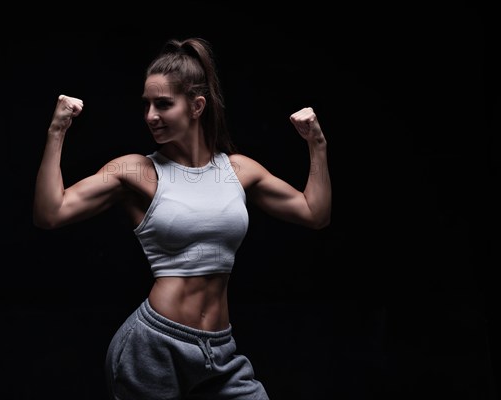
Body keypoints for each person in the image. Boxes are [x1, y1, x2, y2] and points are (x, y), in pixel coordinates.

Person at [33, 37, 331, 400]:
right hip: (154, 345)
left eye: (163, 104)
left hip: (219, 350)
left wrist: (316, 144)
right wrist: (57, 131)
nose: (150, 116)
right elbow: (51, 213)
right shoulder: (137, 171)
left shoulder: (237, 171)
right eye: (146, 105)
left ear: (196, 106)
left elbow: (314, 213)